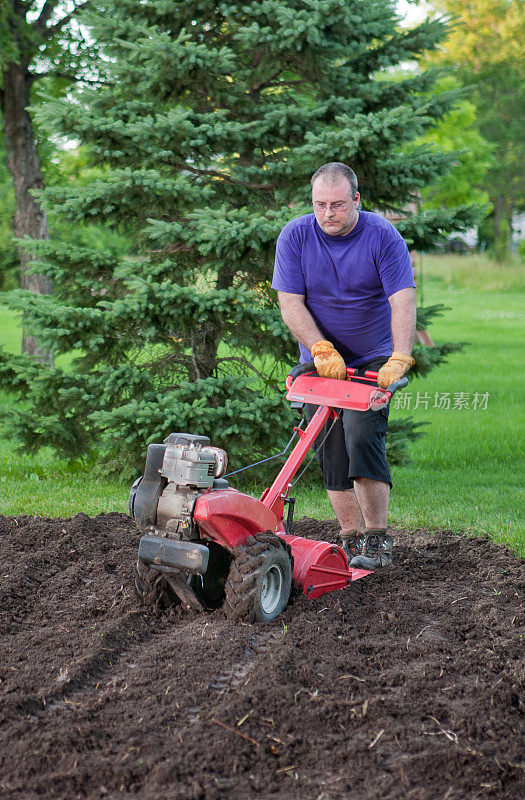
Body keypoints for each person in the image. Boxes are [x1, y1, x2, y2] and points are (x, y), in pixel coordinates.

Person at [272, 162, 416, 569]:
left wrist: (399, 356)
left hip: (372, 358)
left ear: (356, 200)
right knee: (330, 449)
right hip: (320, 357)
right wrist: (319, 347)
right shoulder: (296, 235)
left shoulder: (381, 236)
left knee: (360, 437)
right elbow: (290, 301)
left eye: (337, 204)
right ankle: (350, 540)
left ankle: (378, 540)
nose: (328, 213)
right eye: (320, 205)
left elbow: (401, 299)